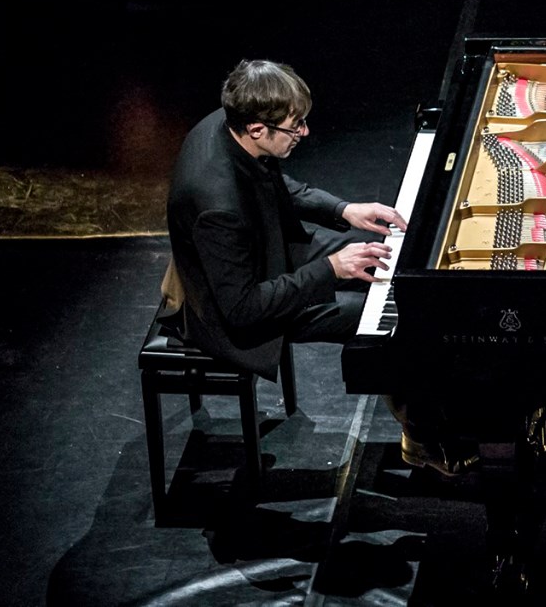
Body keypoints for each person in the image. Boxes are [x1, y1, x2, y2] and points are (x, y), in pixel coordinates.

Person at [161, 58, 402, 383]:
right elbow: (242, 309)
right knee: (381, 317)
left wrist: (343, 209)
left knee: (382, 258)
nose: (304, 131)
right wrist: (330, 268)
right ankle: (418, 424)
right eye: (295, 125)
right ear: (258, 129)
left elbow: (268, 183)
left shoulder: (234, 120)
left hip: (262, 251)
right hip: (237, 309)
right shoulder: (216, 206)